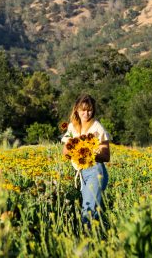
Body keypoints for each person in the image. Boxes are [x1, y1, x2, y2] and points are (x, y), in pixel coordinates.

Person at [61, 94, 111, 225]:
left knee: (88, 213)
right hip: (82, 173)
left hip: (95, 171)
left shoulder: (97, 128)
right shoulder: (72, 127)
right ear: (77, 109)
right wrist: (75, 151)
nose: (86, 113)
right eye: (83, 110)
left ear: (93, 110)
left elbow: (106, 156)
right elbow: (65, 151)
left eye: (89, 110)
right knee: (91, 211)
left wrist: (88, 154)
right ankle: (98, 240)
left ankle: (87, 243)